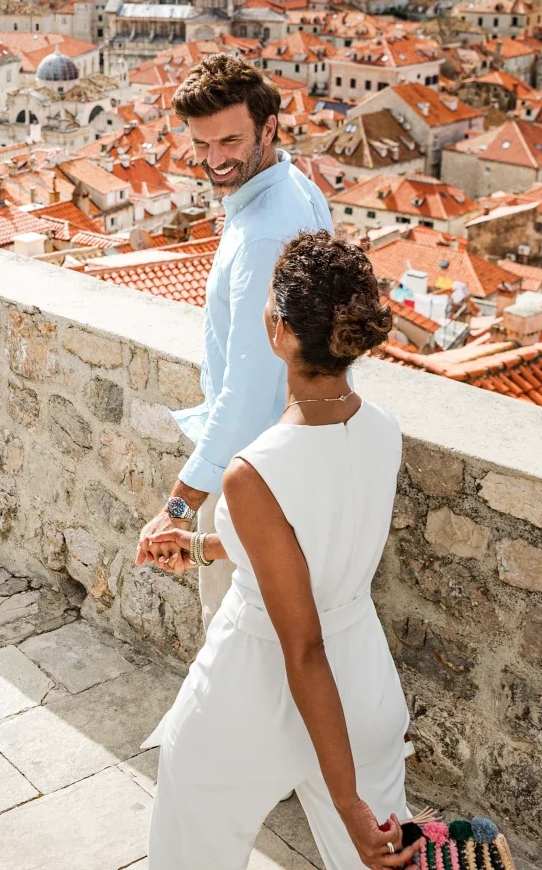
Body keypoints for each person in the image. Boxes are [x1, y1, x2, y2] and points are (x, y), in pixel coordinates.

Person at [146, 233, 419, 870]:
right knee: (384, 862)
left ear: (282, 331)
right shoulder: (383, 430)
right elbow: (314, 545)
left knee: (191, 847)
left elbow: (303, 647)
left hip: (253, 689)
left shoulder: (254, 471)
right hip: (364, 682)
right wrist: (205, 546)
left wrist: (347, 802)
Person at [135, 54, 333, 623]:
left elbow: (246, 392)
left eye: (229, 141)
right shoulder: (293, 186)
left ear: (268, 128)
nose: (214, 160)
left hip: (255, 470)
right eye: (201, 143)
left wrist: (178, 507)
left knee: (232, 624)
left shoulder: (265, 230)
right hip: (289, 453)